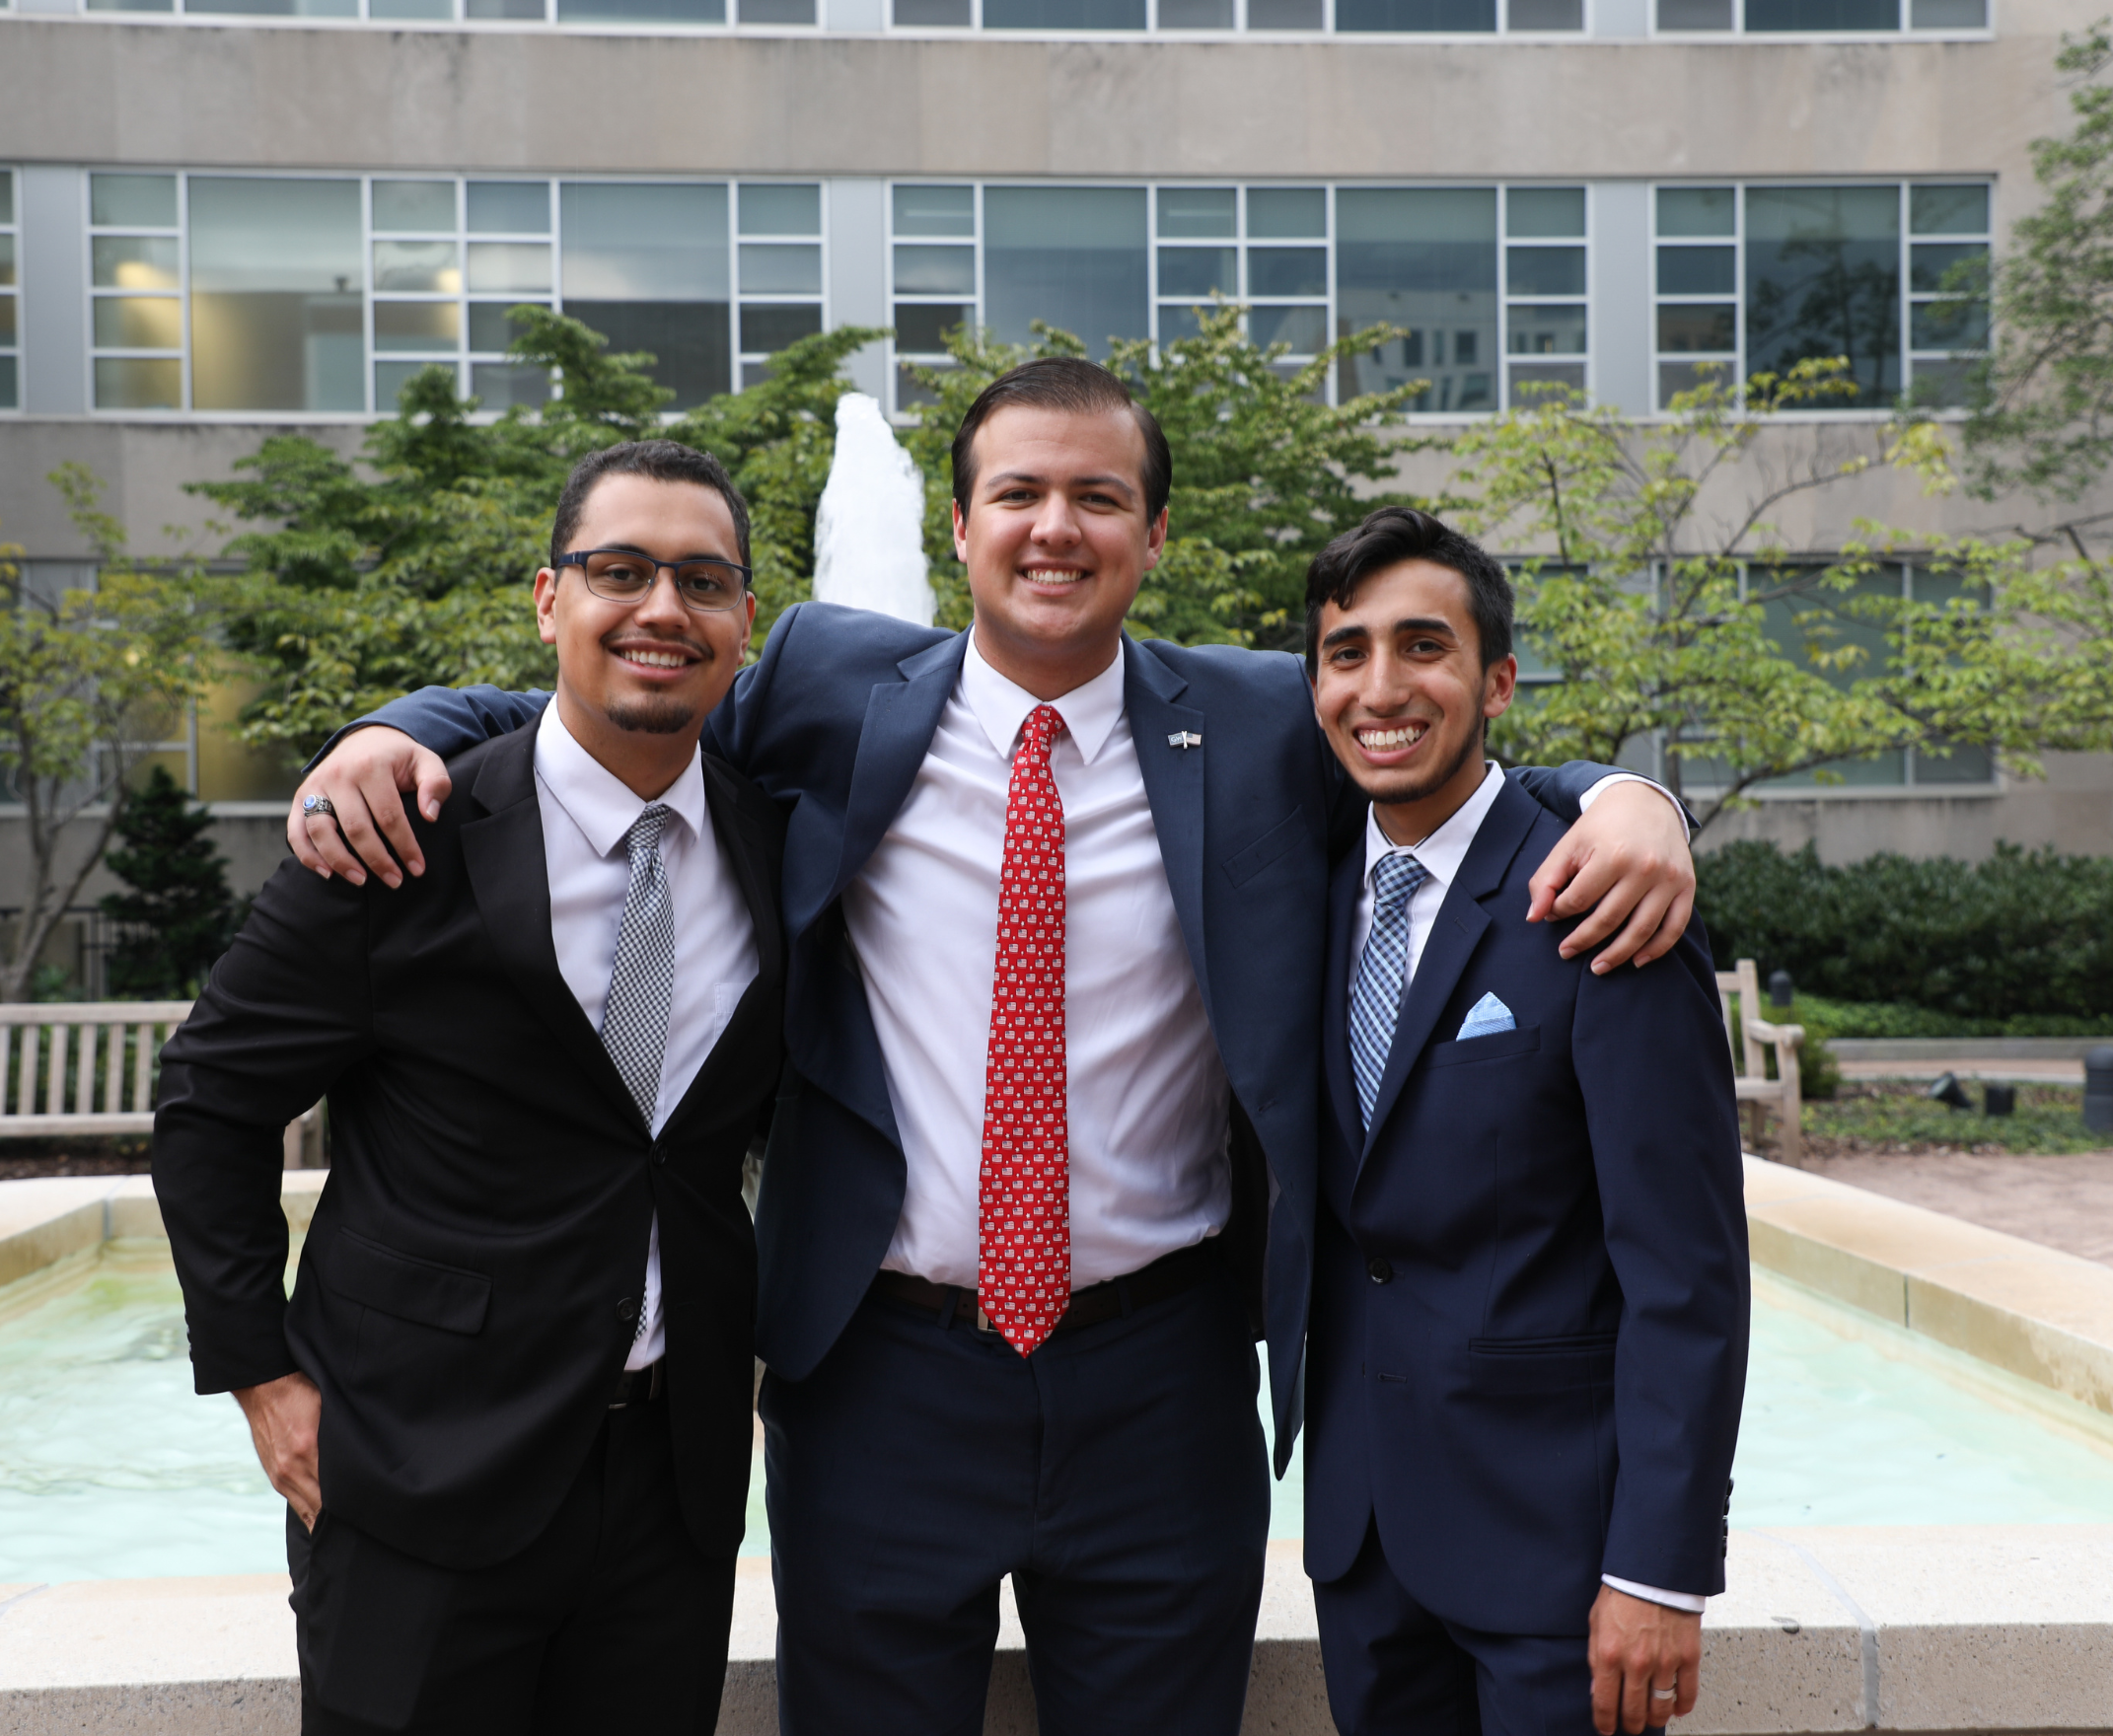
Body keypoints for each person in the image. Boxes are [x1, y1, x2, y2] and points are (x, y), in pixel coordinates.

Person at [287, 359, 1699, 1736]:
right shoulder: (830, 689)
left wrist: (1630, 798)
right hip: (884, 1374)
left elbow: (1435, 749)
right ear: (959, 527)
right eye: (1017, 492)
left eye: (1099, 495)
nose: (1054, 528)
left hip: (1163, 1382)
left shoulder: (1263, 719)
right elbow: (612, 706)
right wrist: (392, 726)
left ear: (1154, 535)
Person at [152, 441, 787, 1734]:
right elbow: (210, 1103)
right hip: (414, 1478)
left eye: (701, 580)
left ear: (744, 623)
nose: (662, 609)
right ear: (550, 599)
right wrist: (264, 1383)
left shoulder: (780, 840)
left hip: (672, 1488)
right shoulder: (401, 837)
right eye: (620, 571)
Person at [1299, 506, 1750, 1736]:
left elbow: (1686, 1264)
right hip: (1363, 1540)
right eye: (1347, 652)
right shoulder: (1302, 878)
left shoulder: (1599, 891)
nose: (1382, 687)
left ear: (1497, 679)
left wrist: (1658, 1566)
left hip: (1561, 1555)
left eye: (1423, 646)